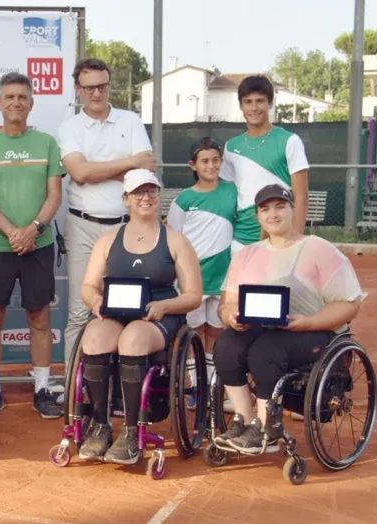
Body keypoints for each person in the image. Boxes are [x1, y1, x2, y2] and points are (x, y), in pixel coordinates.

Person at [212, 185, 365, 454]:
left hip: (314, 331)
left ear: (292, 209)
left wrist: (310, 322)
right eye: (265, 209)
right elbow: (227, 305)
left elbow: (348, 304)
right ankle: (244, 421)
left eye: (280, 206)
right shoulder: (246, 255)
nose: (273, 214)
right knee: (226, 345)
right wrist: (231, 317)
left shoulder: (318, 249)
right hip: (262, 328)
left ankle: (265, 428)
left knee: (265, 350)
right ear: (258, 215)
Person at [76, 169, 202, 465]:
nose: (145, 197)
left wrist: (164, 307)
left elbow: (193, 295)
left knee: (132, 339)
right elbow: (89, 285)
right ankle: (100, 426)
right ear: (126, 199)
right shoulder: (107, 240)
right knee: (93, 337)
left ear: (159, 196)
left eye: (151, 191)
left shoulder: (176, 241)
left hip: (158, 315)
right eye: (138, 193)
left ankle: (132, 431)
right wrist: (94, 299)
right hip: (116, 312)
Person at [0, 72, 64, 420]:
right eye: (9, 97)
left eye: (22, 97)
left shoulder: (48, 143)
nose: (15, 102)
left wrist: (34, 229)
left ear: (31, 103)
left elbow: (55, 194)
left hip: (39, 244)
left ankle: (42, 388)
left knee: (39, 318)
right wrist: (13, 232)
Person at [58, 58, 158, 370]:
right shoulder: (68, 127)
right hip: (82, 224)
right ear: (78, 89)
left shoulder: (130, 120)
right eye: (89, 88)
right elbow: (79, 172)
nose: (96, 93)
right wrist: (128, 163)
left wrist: (95, 170)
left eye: (102, 86)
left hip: (127, 228)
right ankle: (76, 388)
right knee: (79, 311)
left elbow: (146, 169)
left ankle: (115, 384)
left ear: (110, 85)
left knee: (126, 307)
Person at [166, 137, 237, 384]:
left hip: (223, 278)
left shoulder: (233, 191)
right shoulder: (183, 200)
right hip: (192, 280)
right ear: (193, 165)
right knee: (194, 333)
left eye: (216, 160)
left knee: (217, 332)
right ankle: (197, 387)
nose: (211, 166)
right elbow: (174, 240)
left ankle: (212, 385)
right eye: (204, 161)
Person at [220, 75, 309, 255]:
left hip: (279, 241)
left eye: (260, 101)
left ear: (270, 103)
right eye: (248, 102)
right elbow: (226, 197)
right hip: (240, 241)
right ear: (241, 105)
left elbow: (301, 197)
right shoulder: (231, 147)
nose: (254, 108)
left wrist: (294, 245)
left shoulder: (290, 141)